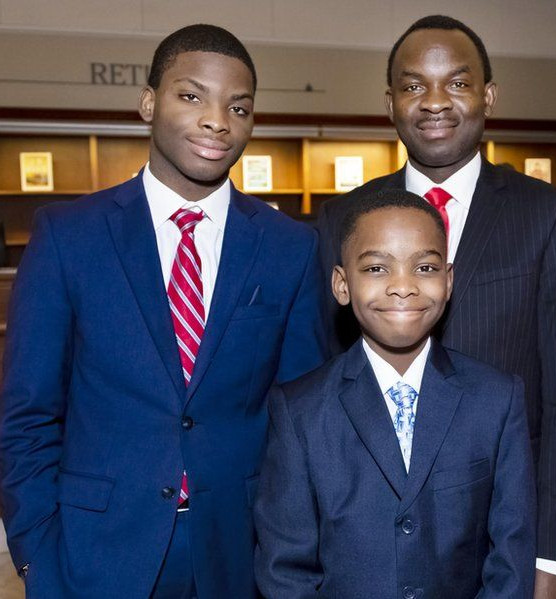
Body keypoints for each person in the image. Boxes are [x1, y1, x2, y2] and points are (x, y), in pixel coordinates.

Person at [0, 24, 326, 599]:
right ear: (149, 102)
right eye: (192, 96)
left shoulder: (289, 247)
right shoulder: (68, 236)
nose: (217, 120)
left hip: (240, 551)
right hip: (93, 552)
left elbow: (300, 419)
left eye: (239, 106)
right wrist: (36, 557)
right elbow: (28, 414)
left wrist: (292, 549)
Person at [315, 16, 556, 595]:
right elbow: (328, 384)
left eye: (457, 83)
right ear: (390, 102)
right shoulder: (344, 217)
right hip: (372, 534)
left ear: (487, 96)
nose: (434, 102)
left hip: (507, 533)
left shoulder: (550, 214)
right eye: (413, 85)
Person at [254, 190, 536, 598]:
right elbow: (286, 571)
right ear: (341, 284)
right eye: (376, 269)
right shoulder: (299, 410)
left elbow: (510, 556)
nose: (402, 287)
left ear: (449, 280)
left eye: (424, 267)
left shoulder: (497, 399)